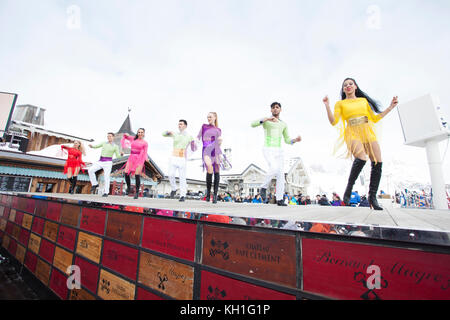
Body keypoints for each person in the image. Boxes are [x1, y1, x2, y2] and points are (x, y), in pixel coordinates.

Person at [323, 78, 398, 210]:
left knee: (377, 161)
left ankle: (372, 197)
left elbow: (374, 118)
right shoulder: (340, 104)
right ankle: (349, 188)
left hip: (367, 130)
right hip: (352, 132)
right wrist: (327, 105)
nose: (348, 86)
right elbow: (334, 121)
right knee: (361, 157)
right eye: (345, 85)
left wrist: (390, 107)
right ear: (343, 89)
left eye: (350, 84)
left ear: (355, 86)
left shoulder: (363, 101)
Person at [251, 102, 302, 206]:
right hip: (268, 149)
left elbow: (287, 140)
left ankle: (279, 199)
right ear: (271, 110)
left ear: (280, 110)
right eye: (273, 108)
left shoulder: (283, 124)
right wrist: (267, 119)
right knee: (273, 168)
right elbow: (253, 124)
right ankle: (263, 187)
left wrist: (295, 140)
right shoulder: (266, 121)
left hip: (279, 151)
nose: (275, 109)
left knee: (280, 175)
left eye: (277, 107)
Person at [163, 120, 196, 202]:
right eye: (178, 124)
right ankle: (174, 188)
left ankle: (182, 195)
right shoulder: (175, 134)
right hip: (173, 157)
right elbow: (163, 134)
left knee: (182, 177)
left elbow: (194, 147)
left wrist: (188, 155)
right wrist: (168, 132)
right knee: (171, 174)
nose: (179, 125)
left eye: (181, 124)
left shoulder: (189, 136)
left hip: (182, 158)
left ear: (185, 126)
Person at [198, 112, 223, 204]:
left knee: (217, 171)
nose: (208, 118)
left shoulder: (218, 129)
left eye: (210, 117)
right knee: (209, 168)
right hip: (206, 150)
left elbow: (219, 143)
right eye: (207, 117)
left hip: (216, 150)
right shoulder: (204, 126)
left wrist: (220, 142)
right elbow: (199, 137)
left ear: (215, 117)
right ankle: (208, 193)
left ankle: (215, 195)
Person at [88, 132, 122, 197]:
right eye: (108, 136)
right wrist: (92, 146)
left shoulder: (115, 146)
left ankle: (106, 192)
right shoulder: (104, 143)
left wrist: (121, 155)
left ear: (113, 137)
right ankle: (94, 184)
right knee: (90, 170)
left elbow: (118, 156)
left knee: (106, 177)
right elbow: (96, 146)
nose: (109, 137)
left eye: (110, 136)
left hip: (108, 163)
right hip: (100, 161)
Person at [121, 128, 148, 199]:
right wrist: (126, 134)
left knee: (137, 175)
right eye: (139, 132)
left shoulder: (145, 143)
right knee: (126, 173)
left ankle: (136, 192)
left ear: (144, 133)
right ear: (137, 133)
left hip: (139, 159)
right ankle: (129, 187)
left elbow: (145, 152)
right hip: (131, 157)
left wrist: (146, 158)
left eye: (142, 132)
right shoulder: (133, 139)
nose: (140, 133)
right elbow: (126, 137)